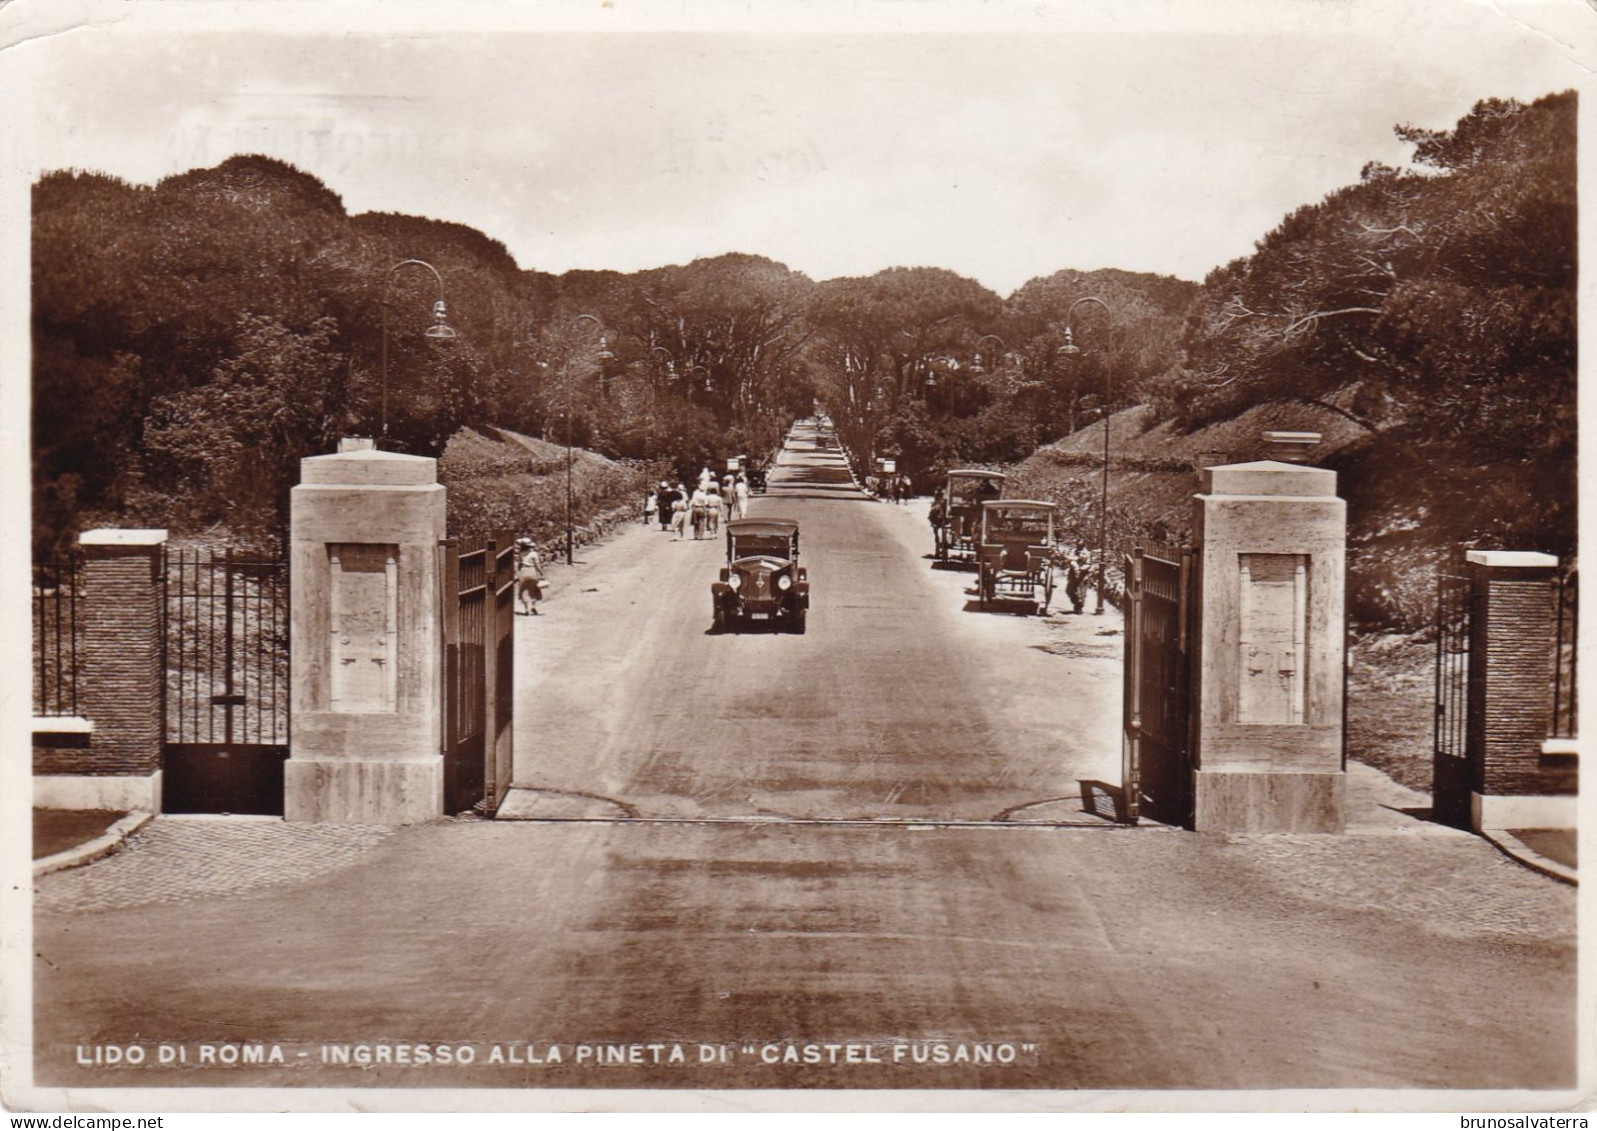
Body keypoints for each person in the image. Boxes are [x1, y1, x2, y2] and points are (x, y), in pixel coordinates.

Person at [513, 537, 545, 616]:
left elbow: (519, 564)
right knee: (534, 589)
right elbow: (537, 564)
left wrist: (517, 574)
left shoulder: (521, 554)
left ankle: (526, 609)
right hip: (532, 571)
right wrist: (541, 573)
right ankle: (533, 606)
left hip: (523, 571)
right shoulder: (534, 553)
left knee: (524, 591)